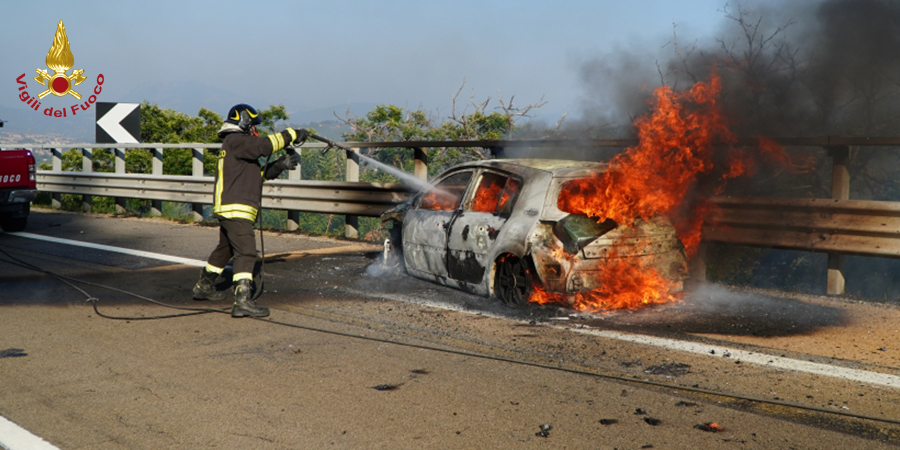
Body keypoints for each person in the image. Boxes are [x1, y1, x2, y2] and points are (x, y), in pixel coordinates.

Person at [192, 103, 308, 317]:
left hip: (229, 209)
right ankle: (242, 301)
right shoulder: (236, 140)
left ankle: (203, 286)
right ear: (244, 121)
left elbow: (254, 176)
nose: (254, 130)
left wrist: (279, 165)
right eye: (253, 125)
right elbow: (264, 145)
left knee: (225, 249)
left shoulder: (234, 145)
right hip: (237, 209)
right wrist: (293, 134)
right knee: (246, 253)